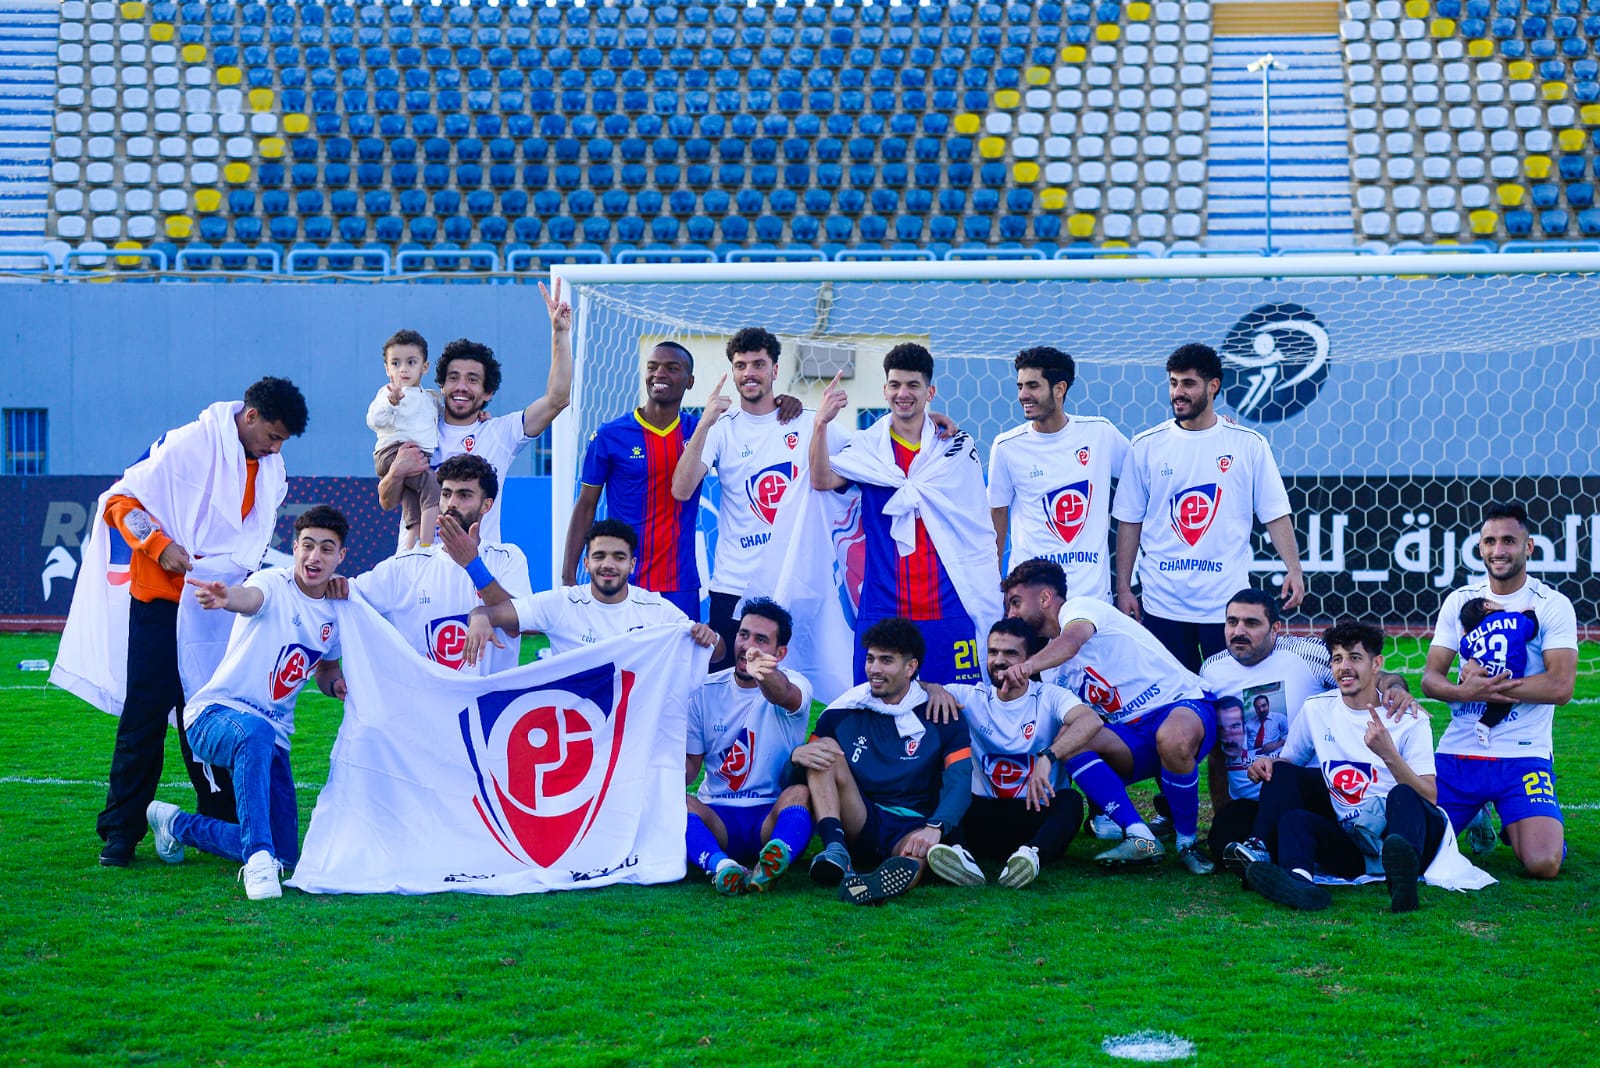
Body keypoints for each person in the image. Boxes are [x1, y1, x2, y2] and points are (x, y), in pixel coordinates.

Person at [72, 376, 308, 868]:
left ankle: (218, 820)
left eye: (283, 441)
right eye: (273, 436)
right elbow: (120, 502)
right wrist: (159, 546)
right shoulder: (188, 444)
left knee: (212, 709)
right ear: (251, 416)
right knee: (144, 715)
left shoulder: (270, 464)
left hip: (215, 605)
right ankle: (121, 833)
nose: (276, 448)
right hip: (160, 599)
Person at [144, 506, 350, 901]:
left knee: (285, 854)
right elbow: (250, 598)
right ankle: (256, 861)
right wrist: (227, 598)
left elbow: (326, 669)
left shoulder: (335, 612)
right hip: (214, 716)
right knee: (255, 733)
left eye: (326, 549)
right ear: (294, 548)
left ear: (340, 556)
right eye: (307, 546)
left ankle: (176, 825)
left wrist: (336, 685)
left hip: (272, 737)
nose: (314, 557)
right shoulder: (272, 583)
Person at [998, 558, 1218, 874]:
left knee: (1171, 737)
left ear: (1045, 597)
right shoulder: (1051, 669)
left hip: (1181, 705)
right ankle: (1140, 836)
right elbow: (1082, 720)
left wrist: (1026, 667)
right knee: (1070, 740)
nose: (1011, 614)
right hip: (1133, 734)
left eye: (1016, 602)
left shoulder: (1080, 608)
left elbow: (1071, 643)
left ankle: (1188, 844)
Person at [809, 343, 1000, 686]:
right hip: (884, 603)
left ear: (930, 392)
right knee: (874, 706)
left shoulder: (954, 447)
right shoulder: (867, 449)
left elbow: (975, 525)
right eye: (895, 385)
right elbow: (821, 480)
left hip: (948, 602)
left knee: (957, 704)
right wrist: (821, 423)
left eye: (913, 385)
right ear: (885, 390)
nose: (903, 394)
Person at [1111, 342, 1305, 672]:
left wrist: (1294, 569)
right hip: (1162, 604)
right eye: (1173, 383)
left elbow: (1275, 513)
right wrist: (1124, 588)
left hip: (1227, 606)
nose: (1178, 393)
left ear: (1213, 386)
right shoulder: (1145, 446)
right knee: (1174, 700)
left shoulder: (1248, 444)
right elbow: (1129, 521)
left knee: (1230, 697)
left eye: (1188, 383)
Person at [1241, 621, 1449, 914]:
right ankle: (1299, 882)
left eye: (1355, 657)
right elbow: (1288, 767)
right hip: (1354, 842)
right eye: (1337, 659)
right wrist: (1267, 764)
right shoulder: (1317, 709)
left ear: (1376, 664)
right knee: (1293, 815)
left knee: (1402, 795)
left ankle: (1403, 883)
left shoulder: (1409, 719)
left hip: (1409, 835)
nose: (1344, 667)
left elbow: (1429, 796)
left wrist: (1388, 754)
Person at [1201, 588, 1416, 868]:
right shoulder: (1211, 670)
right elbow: (1217, 751)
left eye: (1251, 623)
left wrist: (1395, 688)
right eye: (1232, 622)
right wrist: (1222, 808)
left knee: (1282, 778)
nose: (1239, 631)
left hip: (1307, 790)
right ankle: (1268, 852)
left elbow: (1368, 676)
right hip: (1251, 800)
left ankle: (1279, 850)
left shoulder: (1306, 653)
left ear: (1275, 629)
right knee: (1222, 841)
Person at [1421, 502, 1577, 879]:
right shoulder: (1460, 600)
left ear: (1529, 547)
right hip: (1460, 751)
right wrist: (1464, 693)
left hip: (1523, 754)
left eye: (1508, 540)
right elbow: (1431, 679)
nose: (1498, 550)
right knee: (1418, 852)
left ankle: (1518, 818)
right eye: (1490, 541)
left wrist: (1490, 687)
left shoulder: (1550, 604)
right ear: (1480, 548)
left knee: (1543, 863)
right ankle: (1478, 812)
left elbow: (1560, 686)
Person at [791, 618, 974, 905]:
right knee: (823, 749)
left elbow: (960, 781)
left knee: (917, 852)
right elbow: (798, 781)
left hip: (913, 823)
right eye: (871, 659)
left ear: (910, 668)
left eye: (886, 660)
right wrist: (796, 757)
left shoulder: (942, 713)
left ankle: (879, 885)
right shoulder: (843, 711)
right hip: (860, 818)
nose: (874, 669)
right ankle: (836, 850)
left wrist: (935, 828)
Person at [379, 279, 572, 547]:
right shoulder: (415, 427)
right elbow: (387, 501)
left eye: (472, 380)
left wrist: (559, 334)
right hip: (418, 563)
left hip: (475, 565)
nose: (461, 386)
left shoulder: (501, 433)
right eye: (453, 377)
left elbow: (557, 399)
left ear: (488, 392)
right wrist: (397, 471)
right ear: (441, 385)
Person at [671, 327, 816, 669]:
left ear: (775, 370)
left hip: (794, 581)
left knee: (799, 681)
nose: (749, 373)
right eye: (741, 365)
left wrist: (927, 419)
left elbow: (867, 450)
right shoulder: (721, 427)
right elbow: (681, 489)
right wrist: (704, 422)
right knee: (729, 681)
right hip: (735, 585)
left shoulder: (808, 422)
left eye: (758, 364)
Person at [920, 618, 1091, 889]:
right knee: (940, 784)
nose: (999, 660)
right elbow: (909, 686)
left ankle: (1030, 857)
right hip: (982, 815)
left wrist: (1048, 756)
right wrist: (934, 689)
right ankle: (961, 856)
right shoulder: (971, 696)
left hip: (1035, 815)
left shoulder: (1049, 696)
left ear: (1030, 660)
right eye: (993, 652)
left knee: (1070, 801)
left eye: (1010, 653)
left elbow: (1090, 720)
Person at [351, 454, 532, 675]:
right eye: (446, 494)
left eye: (464, 495)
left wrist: (472, 565)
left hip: (487, 696)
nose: (451, 503)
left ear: (486, 505)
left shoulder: (507, 557)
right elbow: (346, 598)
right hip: (424, 696)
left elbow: (521, 625)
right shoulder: (407, 565)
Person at [684, 598, 816, 895]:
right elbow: (690, 769)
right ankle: (722, 867)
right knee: (677, 804)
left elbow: (783, 694)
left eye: (761, 640)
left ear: (780, 653)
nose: (748, 646)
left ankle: (773, 860)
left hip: (770, 814)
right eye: (743, 635)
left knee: (800, 793)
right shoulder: (703, 690)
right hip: (718, 813)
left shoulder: (795, 683)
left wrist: (762, 672)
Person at [563, 341, 704, 617]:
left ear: (690, 381)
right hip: (623, 581)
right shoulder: (610, 435)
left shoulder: (700, 433)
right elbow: (586, 506)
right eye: (652, 367)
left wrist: (783, 404)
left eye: (671, 368)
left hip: (680, 582)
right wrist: (568, 577)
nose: (659, 373)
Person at [464, 519, 722, 663]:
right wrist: (479, 617)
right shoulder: (563, 603)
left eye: (619, 557)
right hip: (577, 730)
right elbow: (492, 613)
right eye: (599, 556)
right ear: (586, 564)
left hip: (633, 731)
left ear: (632, 565)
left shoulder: (656, 609)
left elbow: (717, 654)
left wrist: (710, 638)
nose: (608, 565)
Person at [987, 346, 1129, 599]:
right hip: (1031, 597)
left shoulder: (1100, 433)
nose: (1023, 395)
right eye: (1020, 386)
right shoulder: (1006, 446)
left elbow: (1143, 475)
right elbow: (996, 515)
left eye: (1033, 386)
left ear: (1060, 389)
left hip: (1089, 596)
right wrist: (992, 585)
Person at [366, 328, 442, 549]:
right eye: (396, 363)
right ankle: (427, 547)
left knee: (412, 503)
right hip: (393, 453)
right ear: (387, 368)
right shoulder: (389, 393)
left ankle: (409, 551)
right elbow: (374, 420)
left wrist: (481, 415)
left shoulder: (429, 397)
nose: (403, 369)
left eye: (411, 362)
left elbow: (445, 415)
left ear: (424, 367)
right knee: (432, 486)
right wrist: (391, 402)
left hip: (415, 456)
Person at [1457, 596, 1539, 746]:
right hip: (1506, 677)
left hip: (1482, 674)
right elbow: (1532, 629)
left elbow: (1464, 651)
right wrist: (1529, 613)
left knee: (1467, 675)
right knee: (1501, 705)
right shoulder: (1515, 619)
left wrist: (1465, 636)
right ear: (1487, 605)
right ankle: (1484, 725)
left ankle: (1458, 697)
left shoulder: (1474, 633)